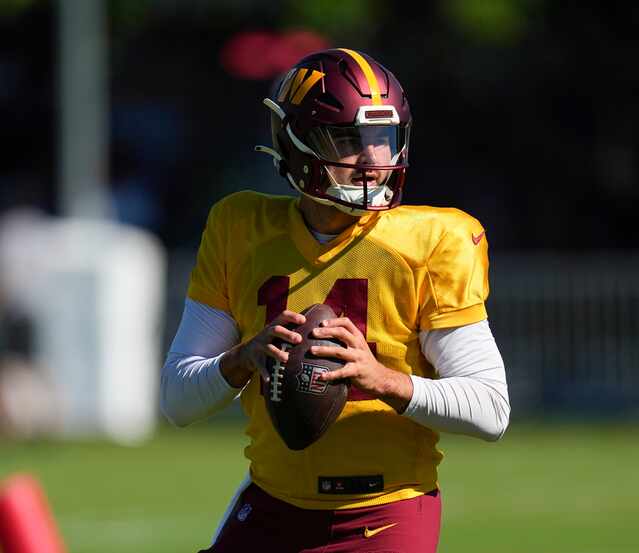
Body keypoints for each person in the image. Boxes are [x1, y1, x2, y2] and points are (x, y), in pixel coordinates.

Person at [160, 48, 510, 553]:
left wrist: (382, 379)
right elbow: (177, 401)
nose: (374, 160)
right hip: (273, 505)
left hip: (387, 512)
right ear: (295, 142)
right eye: (349, 140)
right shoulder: (240, 228)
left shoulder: (435, 241)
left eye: (383, 139)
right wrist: (241, 359)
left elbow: (491, 410)